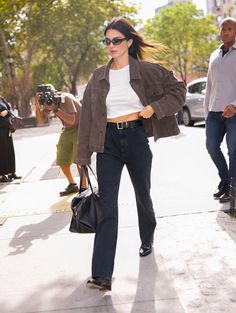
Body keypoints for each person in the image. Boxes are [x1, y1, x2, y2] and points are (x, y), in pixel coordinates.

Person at [77, 17, 186, 291]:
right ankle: (101, 274)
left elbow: (178, 90)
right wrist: (81, 157)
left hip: (136, 137)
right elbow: (88, 118)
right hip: (108, 144)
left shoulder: (147, 70)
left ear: (128, 42)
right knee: (108, 207)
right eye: (107, 41)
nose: (111, 45)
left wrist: (155, 108)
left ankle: (146, 236)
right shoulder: (98, 76)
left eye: (116, 40)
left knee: (142, 195)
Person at [204, 17, 236, 203]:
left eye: (230, 29)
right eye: (223, 29)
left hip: (234, 114)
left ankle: (233, 190)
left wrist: (234, 105)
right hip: (214, 113)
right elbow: (209, 84)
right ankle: (225, 181)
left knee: (233, 152)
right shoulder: (214, 55)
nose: (225, 32)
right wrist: (207, 111)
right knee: (211, 147)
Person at [37, 85, 87, 196]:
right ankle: (72, 185)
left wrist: (55, 109)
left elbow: (72, 120)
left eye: (50, 95)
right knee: (62, 158)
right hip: (67, 129)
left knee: (79, 160)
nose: (48, 98)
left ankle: (84, 189)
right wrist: (38, 103)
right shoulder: (47, 101)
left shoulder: (65, 99)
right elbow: (41, 121)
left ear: (55, 93)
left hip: (80, 126)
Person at [0, 96, 22, 183]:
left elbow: (8, 110)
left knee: (10, 150)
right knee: (2, 151)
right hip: (0, 129)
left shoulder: (1, 98)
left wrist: (7, 112)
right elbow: (2, 113)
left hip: (7, 128)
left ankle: (11, 172)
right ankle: (2, 175)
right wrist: (6, 112)